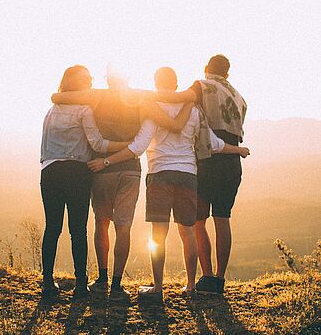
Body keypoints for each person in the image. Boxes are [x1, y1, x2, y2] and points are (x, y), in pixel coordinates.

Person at [88, 67, 249, 301]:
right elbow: (213, 144)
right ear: (176, 85)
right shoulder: (193, 110)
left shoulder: (153, 108)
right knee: (188, 233)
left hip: (160, 173)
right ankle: (191, 286)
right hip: (188, 175)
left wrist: (106, 161)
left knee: (158, 235)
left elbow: (139, 146)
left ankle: (158, 288)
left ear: (156, 82)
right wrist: (238, 150)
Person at [51, 66, 193, 302]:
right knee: (123, 227)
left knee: (102, 222)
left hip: (102, 168)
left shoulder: (96, 95)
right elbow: (169, 104)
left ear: (108, 79)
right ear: (128, 77)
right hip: (130, 169)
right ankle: (117, 285)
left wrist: (57, 95)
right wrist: (190, 98)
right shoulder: (140, 97)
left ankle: (102, 279)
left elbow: (58, 97)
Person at [145, 55, 248, 295]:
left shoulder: (201, 86)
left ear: (206, 69)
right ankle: (219, 280)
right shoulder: (240, 97)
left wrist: (143, 97)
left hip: (207, 160)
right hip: (231, 162)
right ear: (228, 73)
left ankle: (206, 276)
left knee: (197, 222)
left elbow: (176, 98)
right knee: (223, 219)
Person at [40, 65, 129, 299]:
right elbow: (98, 144)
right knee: (77, 230)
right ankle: (80, 285)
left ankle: (47, 282)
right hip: (77, 172)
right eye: (86, 78)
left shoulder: (52, 110)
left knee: (52, 228)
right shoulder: (84, 109)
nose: (90, 81)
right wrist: (127, 145)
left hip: (49, 172)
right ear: (76, 83)